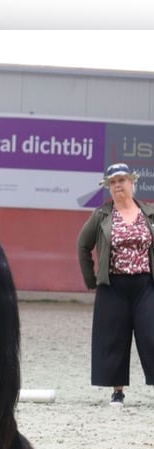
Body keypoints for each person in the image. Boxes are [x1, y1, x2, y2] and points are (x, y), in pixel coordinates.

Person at [77, 162, 154, 407]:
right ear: (109, 187)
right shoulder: (101, 215)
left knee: (151, 334)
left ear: (132, 182)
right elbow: (82, 245)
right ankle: (117, 392)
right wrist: (91, 279)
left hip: (145, 284)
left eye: (122, 180)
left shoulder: (149, 213)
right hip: (113, 286)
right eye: (113, 182)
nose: (118, 185)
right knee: (113, 338)